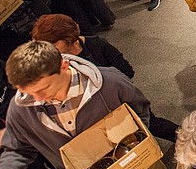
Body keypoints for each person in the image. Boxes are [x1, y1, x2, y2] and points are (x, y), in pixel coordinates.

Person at [0, 41, 182, 169]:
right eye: (27, 92)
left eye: (43, 88)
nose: (37, 99)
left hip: (134, 160)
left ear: (63, 65)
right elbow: (18, 148)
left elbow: (141, 110)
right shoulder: (21, 108)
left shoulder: (110, 83)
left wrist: (136, 144)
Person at [30, 14, 179, 142]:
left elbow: (126, 71)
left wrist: (107, 85)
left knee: (152, 125)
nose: (48, 50)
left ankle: (188, 139)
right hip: (95, 117)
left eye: (52, 44)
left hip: (119, 103)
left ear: (68, 38)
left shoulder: (97, 45)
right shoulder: (54, 62)